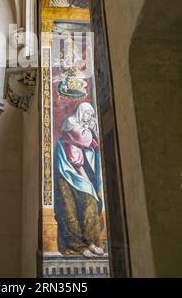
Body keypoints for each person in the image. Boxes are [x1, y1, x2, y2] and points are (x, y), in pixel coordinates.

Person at [54, 102, 105, 257]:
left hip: (79, 171)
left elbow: (94, 146)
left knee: (90, 201)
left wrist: (92, 128)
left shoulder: (82, 126)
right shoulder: (71, 123)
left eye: (91, 114)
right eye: (88, 114)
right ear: (81, 112)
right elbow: (84, 140)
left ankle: (89, 242)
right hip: (67, 171)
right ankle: (77, 246)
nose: (90, 117)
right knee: (69, 207)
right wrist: (91, 128)